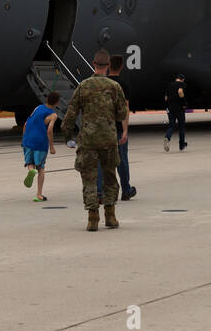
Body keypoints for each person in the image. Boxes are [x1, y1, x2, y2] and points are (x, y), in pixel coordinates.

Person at [64, 49, 129, 231]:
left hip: (88, 140)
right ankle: (110, 215)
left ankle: (93, 218)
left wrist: (68, 135)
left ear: (94, 64)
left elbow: (71, 114)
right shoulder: (114, 87)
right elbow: (122, 113)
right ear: (108, 66)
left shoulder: (83, 86)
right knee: (110, 177)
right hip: (108, 139)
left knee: (89, 178)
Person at [97, 56, 136, 200]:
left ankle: (99, 191)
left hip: (103, 128)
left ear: (108, 66)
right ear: (121, 67)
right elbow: (125, 108)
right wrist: (125, 130)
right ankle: (126, 189)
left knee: (101, 160)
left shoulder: (101, 83)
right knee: (121, 160)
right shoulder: (123, 85)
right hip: (118, 128)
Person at [21, 91, 59, 202]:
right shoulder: (53, 115)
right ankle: (39, 194)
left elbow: (26, 124)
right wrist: (52, 146)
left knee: (30, 162)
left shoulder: (37, 108)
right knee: (41, 168)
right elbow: (49, 130)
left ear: (47, 99)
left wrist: (24, 138)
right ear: (57, 103)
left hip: (28, 140)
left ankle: (31, 170)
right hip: (40, 142)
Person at [164, 72, 188, 152]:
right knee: (181, 127)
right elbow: (180, 92)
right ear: (182, 79)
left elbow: (166, 98)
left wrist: (168, 105)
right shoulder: (182, 84)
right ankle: (181, 145)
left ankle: (167, 137)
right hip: (179, 108)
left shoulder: (169, 85)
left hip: (170, 108)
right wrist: (184, 103)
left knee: (171, 125)